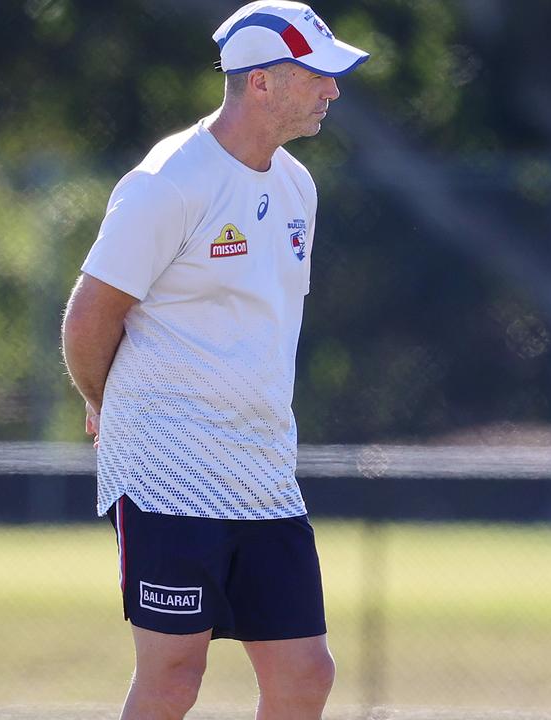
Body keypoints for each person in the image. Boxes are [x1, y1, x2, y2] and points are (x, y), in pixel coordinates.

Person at [59, 2, 367, 717]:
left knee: (305, 674)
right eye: (316, 75)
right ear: (260, 83)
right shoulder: (170, 179)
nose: (333, 90)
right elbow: (89, 316)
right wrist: (107, 405)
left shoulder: (297, 186)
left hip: (261, 465)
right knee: (174, 675)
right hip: (167, 465)